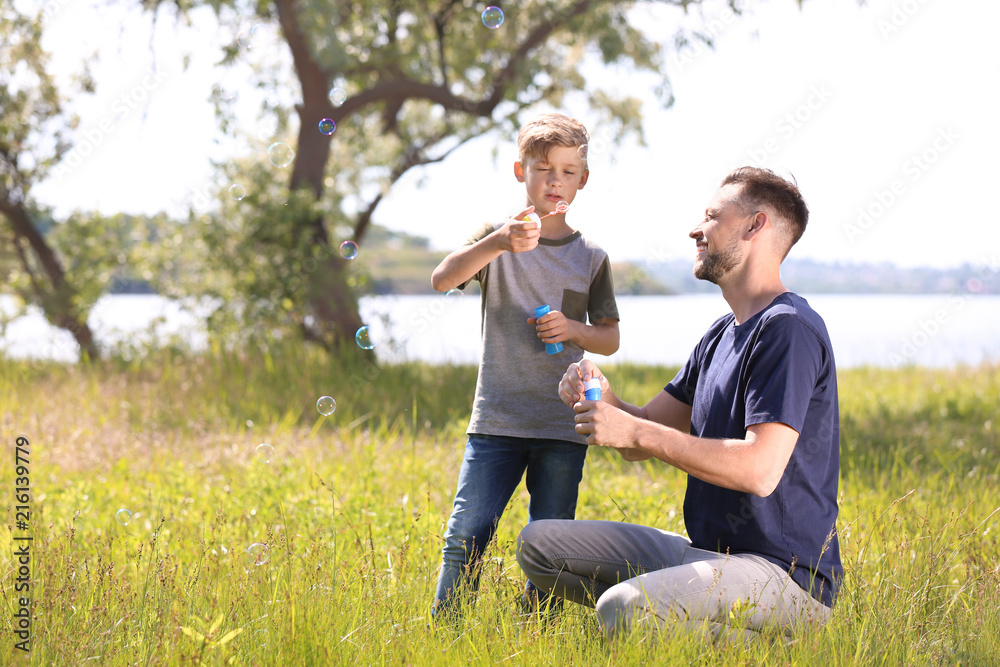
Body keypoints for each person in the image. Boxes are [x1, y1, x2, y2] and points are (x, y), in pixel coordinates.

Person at [517, 166, 842, 641]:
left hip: (783, 575)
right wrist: (601, 395)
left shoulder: (787, 329)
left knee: (623, 610)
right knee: (538, 544)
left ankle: (785, 644)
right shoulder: (720, 334)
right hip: (706, 555)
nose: (696, 228)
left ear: (755, 226)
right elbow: (642, 431)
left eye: (712, 216)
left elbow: (759, 469)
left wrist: (638, 432)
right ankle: (674, 611)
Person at [429, 113, 621, 616]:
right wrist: (497, 243)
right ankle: (444, 630)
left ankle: (537, 632)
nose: (554, 181)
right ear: (521, 171)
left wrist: (573, 331)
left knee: (552, 541)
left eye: (567, 171)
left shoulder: (591, 256)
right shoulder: (496, 236)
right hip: (497, 420)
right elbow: (442, 280)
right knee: (468, 530)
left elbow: (610, 337)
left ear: (582, 179)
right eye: (542, 169)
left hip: (562, 424)